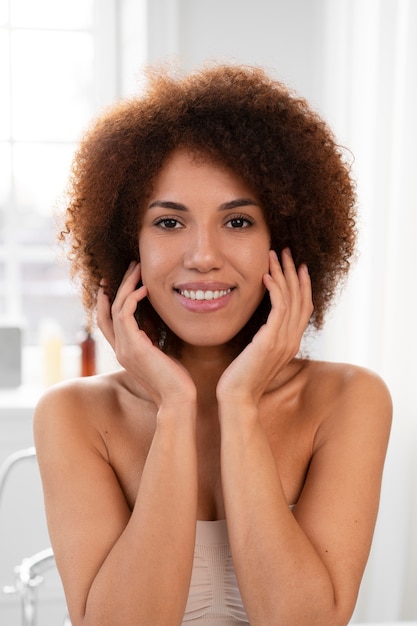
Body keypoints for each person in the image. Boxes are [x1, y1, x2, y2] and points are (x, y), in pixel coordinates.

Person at [33, 63, 392, 626]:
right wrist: (176, 408)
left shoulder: (349, 399)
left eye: (239, 222)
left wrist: (240, 403)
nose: (202, 256)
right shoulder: (74, 415)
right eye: (170, 223)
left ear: (288, 243)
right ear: (129, 248)